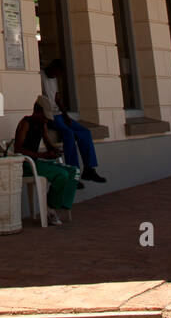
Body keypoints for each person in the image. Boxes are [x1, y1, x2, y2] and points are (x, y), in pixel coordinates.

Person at [13, 97, 80, 226]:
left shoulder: (42, 124)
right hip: (27, 164)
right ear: (37, 111)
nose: (46, 120)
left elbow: (48, 142)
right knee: (61, 175)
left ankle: (61, 205)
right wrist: (41, 155)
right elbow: (18, 149)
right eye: (44, 116)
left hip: (37, 161)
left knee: (74, 171)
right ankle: (50, 208)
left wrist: (54, 151)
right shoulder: (26, 123)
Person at [41, 58, 106, 185]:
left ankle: (89, 168)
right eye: (56, 73)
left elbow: (57, 98)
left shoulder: (53, 79)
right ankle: (73, 173)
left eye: (58, 74)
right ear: (52, 67)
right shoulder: (40, 75)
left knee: (85, 132)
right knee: (69, 134)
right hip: (49, 115)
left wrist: (66, 115)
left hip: (59, 114)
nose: (56, 76)